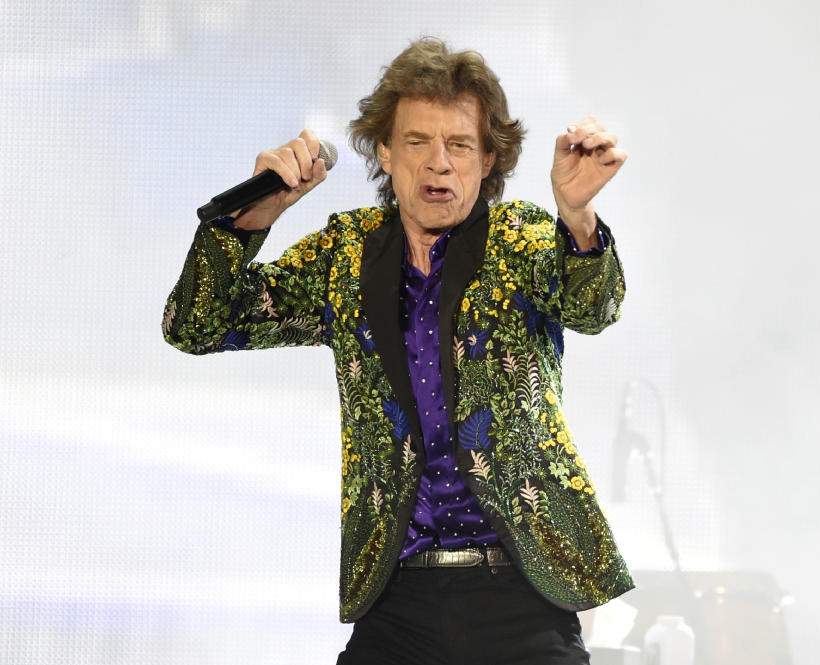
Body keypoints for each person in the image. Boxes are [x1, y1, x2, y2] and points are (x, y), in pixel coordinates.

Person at [163, 38, 633, 664]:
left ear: (489, 159)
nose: (438, 163)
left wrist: (577, 216)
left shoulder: (521, 240)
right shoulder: (347, 254)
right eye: (417, 142)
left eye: (460, 145)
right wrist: (258, 213)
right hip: (398, 599)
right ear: (385, 151)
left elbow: (592, 307)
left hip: (520, 592)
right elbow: (195, 326)